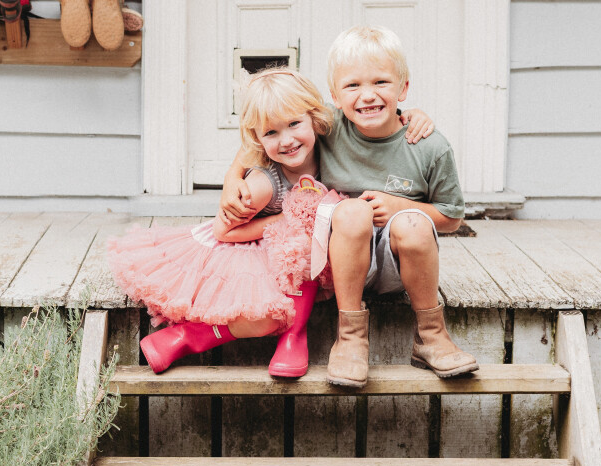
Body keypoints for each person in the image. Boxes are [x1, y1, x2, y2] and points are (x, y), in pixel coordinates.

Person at [108, 67, 434, 378]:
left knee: (310, 240)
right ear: (258, 139)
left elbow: (370, 118)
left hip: (306, 255)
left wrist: (411, 115)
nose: (287, 140)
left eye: (294, 124)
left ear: (315, 119)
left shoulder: (330, 145)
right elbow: (224, 231)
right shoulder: (263, 185)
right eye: (271, 133)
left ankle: (290, 335)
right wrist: (286, 218)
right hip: (254, 251)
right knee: (265, 315)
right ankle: (194, 337)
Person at [221, 26, 478, 388]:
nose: (367, 95)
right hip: (335, 263)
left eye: (381, 82)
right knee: (353, 210)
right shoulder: (330, 126)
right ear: (335, 97)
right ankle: (351, 338)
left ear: (403, 88)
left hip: (397, 266)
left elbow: (451, 218)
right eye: (353, 85)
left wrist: (400, 206)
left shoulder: (429, 146)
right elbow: (268, 126)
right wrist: (232, 177)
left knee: (414, 223)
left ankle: (431, 336)